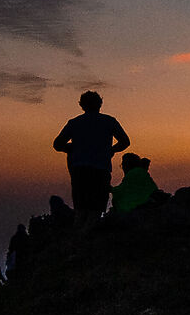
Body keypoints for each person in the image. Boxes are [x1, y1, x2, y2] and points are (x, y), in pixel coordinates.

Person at [52, 91, 131, 219]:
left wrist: (72, 148)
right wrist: (111, 150)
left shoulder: (74, 122)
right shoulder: (109, 121)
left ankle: (79, 235)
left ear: (82, 105)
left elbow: (57, 144)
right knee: (96, 209)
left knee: (81, 208)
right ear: (100, 104)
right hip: (101, 168)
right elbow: (125, 142)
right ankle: (89, 234)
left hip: (79, 169)